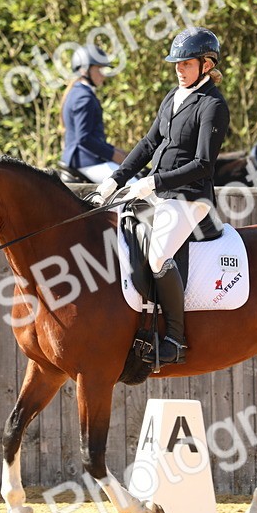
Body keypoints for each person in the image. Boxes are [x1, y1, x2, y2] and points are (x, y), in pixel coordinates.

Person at [96, 26, 229, 366]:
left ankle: (174, 338)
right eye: (177, 64)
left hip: (190, 198)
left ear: (206, 64)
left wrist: (153, 183)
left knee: (158, 257)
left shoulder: (213, 106)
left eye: (186, 64)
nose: (179, 70)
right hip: (159, 192)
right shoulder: (173, 97)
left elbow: (202, 164)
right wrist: (115, 180)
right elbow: (148, 144)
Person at [60, 45, 128, 183]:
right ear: (85, 70)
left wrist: (118, 151)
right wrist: (113, 155)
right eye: (99, 69)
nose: (103, 74)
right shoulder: (83, 97)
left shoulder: (78, 92)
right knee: (135, 187)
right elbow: (84, 139)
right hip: (86, 161)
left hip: (85, 159)